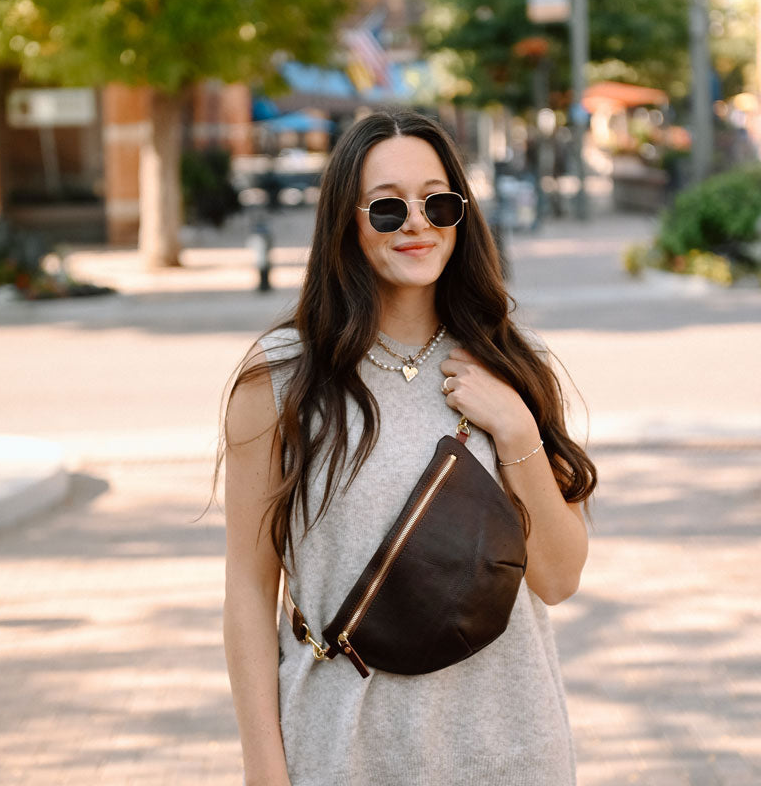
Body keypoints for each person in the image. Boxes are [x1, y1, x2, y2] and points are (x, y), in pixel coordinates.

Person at [220, 108, 597, 786]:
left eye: (437, 202)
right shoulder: (280, 381)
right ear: (345, 221)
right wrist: (263, 771)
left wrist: (514, 430)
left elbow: (559, 578)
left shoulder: (516, 365)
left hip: (512, 750)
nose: (418, 223)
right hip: (344, 753)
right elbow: (250, 592)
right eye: (388, 208)